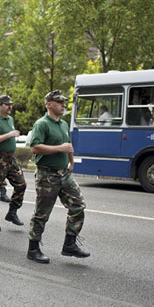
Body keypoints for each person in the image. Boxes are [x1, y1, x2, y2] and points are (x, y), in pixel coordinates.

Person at [27, 90, 90, 264]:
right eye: (59, 102)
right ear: (49, 104)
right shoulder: (41, 124)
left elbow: (67, 145)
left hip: (64, 173)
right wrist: (59, 149)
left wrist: (71, 162)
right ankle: (33, 249)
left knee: (78, 206)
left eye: (64, 102)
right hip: (47, 175)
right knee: (42, 213)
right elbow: (35, 147)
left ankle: (69, 244)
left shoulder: (62, 124)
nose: (63, 105)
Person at [0, 95, 26, 231]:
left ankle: (12, 212)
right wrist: (8, 135)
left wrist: (13, 135)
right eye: (7, 104)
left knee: (21, 184)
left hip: (11, 158)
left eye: (11, 104)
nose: (10, 107)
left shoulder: (10, 119)